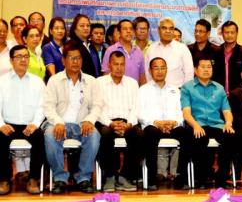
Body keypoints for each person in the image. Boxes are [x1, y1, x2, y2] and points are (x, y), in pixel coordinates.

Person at [43, 41, 101, 194]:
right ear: (63, 60)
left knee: (94, 136)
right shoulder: (54, 80)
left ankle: (83, 178)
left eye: (79, 58)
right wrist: (58, 122)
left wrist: (89, 120)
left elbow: (97, 106)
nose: (76, 62)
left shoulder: (91, 81)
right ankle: (60, 178)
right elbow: (48, 107)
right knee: (50, 136)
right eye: (72, 58)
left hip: (81, 124)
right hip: (58, 123)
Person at [181, 56, 235, 188]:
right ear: (195, 70)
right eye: (203, 67)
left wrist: (228, 123)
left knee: (231, 137)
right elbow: (186, 112)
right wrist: (195, 125)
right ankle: (202, 178)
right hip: (198, 124)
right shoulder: (187, 87)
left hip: (216, 124)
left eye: (209, 67)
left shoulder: (219, 88)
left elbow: (227, 110)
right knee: (200, 138)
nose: (206, 70)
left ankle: (221, 178)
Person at [139, 57, 190, 190]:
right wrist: (156, 123)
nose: (160, 71)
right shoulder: (143, 90)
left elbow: (181, 112)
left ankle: (180, 176)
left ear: (167, 70)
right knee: (150, 134)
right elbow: (140, 113)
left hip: (172, 125)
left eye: (163, 68)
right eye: (156, 68)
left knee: (186, 135)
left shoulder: (175, 90)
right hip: (153, 126)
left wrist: (174, 122)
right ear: (150, 70)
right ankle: (152, 178)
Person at [0, 45, 45, 195]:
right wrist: (1, 124)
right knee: (0, 137)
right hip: (8, 124)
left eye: (26, 56)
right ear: (11, 60)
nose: (23, 60)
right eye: (19, 57)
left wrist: (35, 124)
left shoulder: (37, 82)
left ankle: (33, 179)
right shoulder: (2, 81)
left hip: (29, 125)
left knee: (40, 137)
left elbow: (42, 106)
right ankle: (4, 179)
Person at [96, 51, 142, 192]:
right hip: (106, 122)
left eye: (122, 64)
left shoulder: (132, 83)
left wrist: (129, 124)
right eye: (116, 64)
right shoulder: (99, 83)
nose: (119, 68)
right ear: (109, 65)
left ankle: (125, 176)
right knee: (105, 135)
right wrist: (110, 123)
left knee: (139, 135)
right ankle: (109, 176)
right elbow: (97, 108)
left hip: (127, 122)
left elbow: (136, 107)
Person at [146, 17, 193, 87]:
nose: (168, 31)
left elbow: (189, 73)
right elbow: (148, 73)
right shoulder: (151, 48)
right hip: (155, 90)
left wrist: (184, 90)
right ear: (158, 30)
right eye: (164, 28)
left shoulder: (182, 48)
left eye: (171, 28)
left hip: (177, 90)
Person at [102, 19, 146, 85]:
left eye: (131, 29)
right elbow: (106, 74)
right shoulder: (110, 50)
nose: (128, 31)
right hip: (115, 89)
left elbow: (142, 77)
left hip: (134, 90)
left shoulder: (138, 51)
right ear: (119, 32)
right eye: (125, 29)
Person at [214, 20, 242, 94]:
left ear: (237, 33)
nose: (229, 35)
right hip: (219, 94)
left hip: (239, 94)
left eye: (232, 32)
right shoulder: (216, 51)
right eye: (226, 32)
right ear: (222, 34)